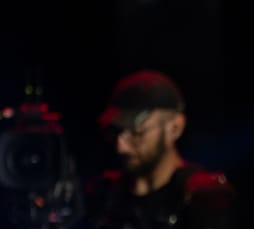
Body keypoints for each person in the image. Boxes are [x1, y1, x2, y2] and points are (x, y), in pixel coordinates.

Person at [81, 69, 237, 229]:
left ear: (175, 127)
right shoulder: (103, 197)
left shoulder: (202, 199)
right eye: (115, 132)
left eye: (137, 133)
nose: (121, 147)